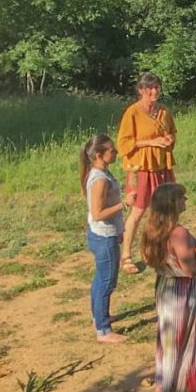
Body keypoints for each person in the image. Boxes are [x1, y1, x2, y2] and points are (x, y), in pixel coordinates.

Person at [141, 183, 196, 392]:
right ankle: (185, 388)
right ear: (173, 204)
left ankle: (165, 384)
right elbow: (190, 269)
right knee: (188, 338)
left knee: (169, 338)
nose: (185, 201)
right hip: (183, 292)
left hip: (165, 287)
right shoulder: (178, 233)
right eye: (182, 198)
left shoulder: (151, 230)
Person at [116, 72, 176, 274]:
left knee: (163, 210)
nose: (154, 91)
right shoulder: (132, 112)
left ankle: (157, 252)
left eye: (157, 87)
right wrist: (151, 142)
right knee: (138, 210)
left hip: (161, 166)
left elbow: (171, 132)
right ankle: (126, 256)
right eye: (149, 88)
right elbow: (123, 144)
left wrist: (168, 139)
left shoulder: (163, 112)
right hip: (140, 168)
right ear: (140, 90)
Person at [80, 134, 128, 344]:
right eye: (112, 150)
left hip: (102, 233)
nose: (116, 152)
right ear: (99, 155)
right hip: (103, 235)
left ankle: (100, 317)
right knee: (106, 282)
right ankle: (103, 330)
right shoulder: (99, 179)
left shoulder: (99, 172)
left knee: (100, 279)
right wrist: (124, 204)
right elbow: (98, 213)